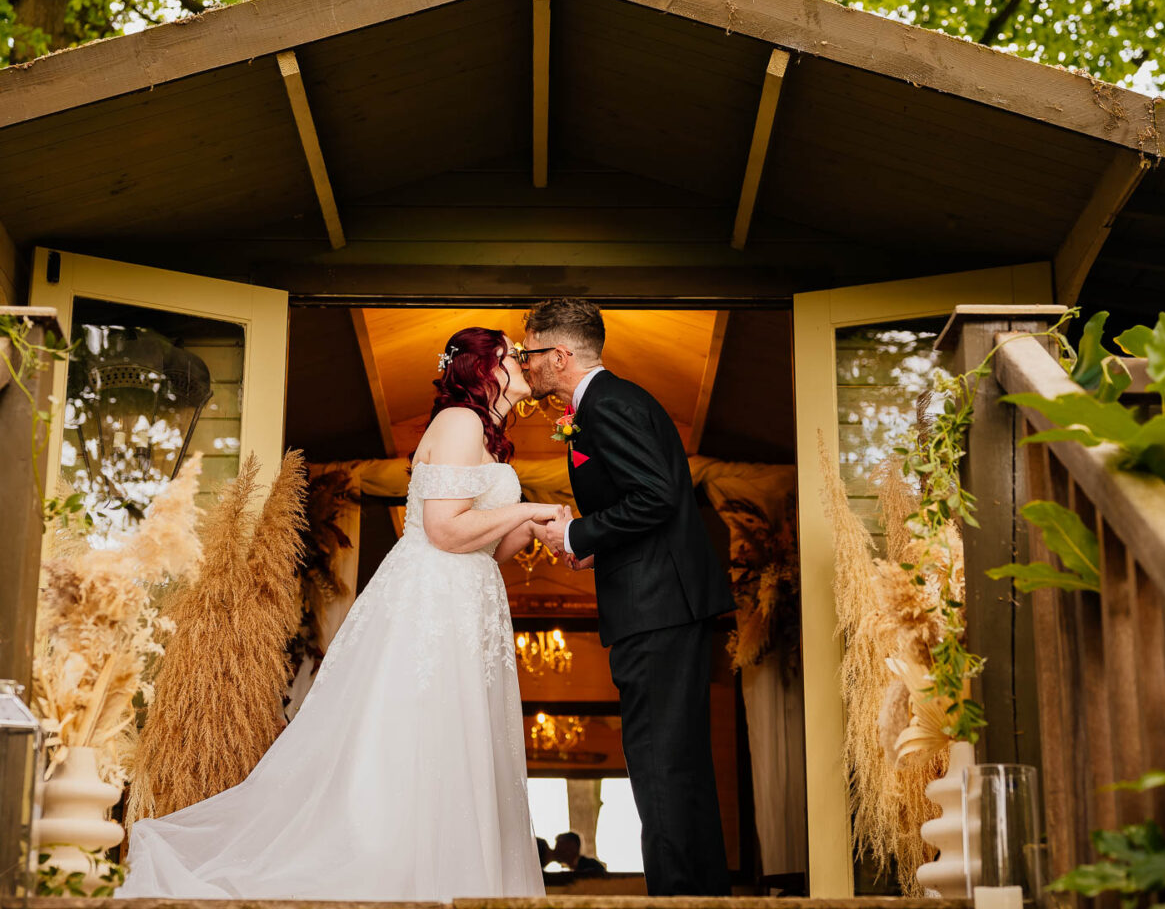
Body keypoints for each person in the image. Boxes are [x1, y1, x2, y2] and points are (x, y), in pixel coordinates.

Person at [117, 327, 556, 900]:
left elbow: (489, 550)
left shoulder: (489, 438)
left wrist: (532, 526)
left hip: (470, 602)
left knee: (461, 739)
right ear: (484, 367)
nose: (521, 360)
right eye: (510, 352)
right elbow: (445, 530)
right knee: (419, 735)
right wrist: (532, 506)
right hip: (432, 601)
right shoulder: (459, 422)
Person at [521, 298, 735, 896]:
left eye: (530, 352)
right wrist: (597, 546)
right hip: (661, 601)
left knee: (659, 765)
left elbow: (659, 497)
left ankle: (679, 899)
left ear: (559, 355)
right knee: (676, 763)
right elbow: (644, 501)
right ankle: (702, 896)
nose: (525, 363)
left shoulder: (608, 405)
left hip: (656, 607)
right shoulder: (608, 403)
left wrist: (575, 533)